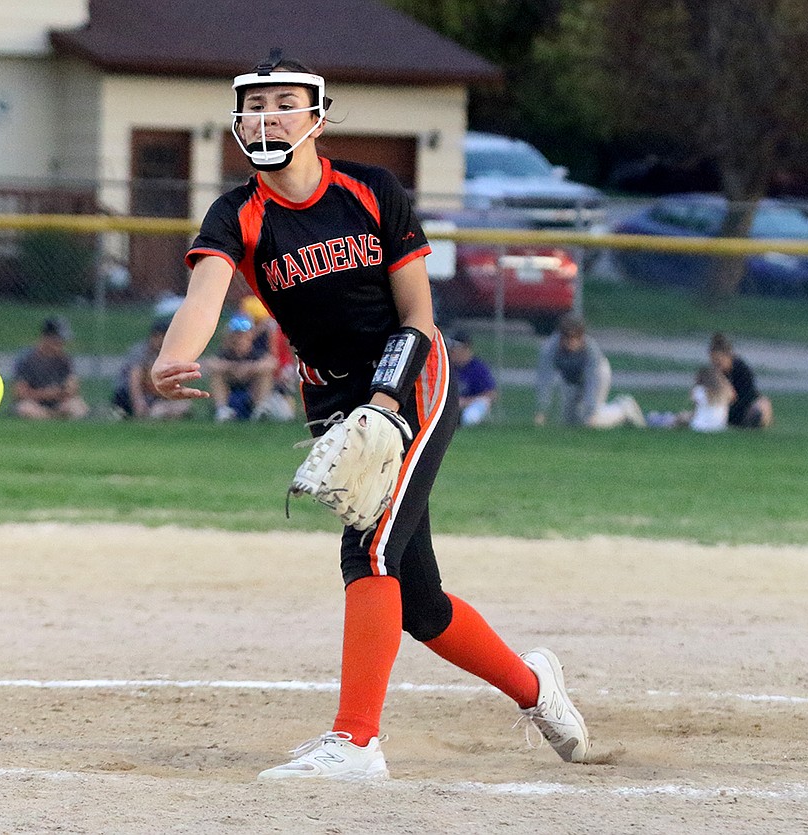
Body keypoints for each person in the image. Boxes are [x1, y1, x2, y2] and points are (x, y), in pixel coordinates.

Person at [150, 50, 591, 780]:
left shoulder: (370, 188)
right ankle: (537, 689)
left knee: (370, 553)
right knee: (419, 602)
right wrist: (175, 354)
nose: (269, 116)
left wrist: (387, 399)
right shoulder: (239, 213)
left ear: (317, 115)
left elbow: (418, 313)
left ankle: (356, 742)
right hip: (331, 399)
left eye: (285, 101)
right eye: (256, 105)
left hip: (411, 375)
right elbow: (207, 294)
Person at [534, 314, 645, 429]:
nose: (571, 341)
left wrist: (591, 412)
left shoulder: (591, 349)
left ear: (581, 336)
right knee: (570, 422)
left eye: (575, 337)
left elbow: (592, 381)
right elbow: (545, 379)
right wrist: (542, 410)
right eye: (567, 337)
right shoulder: (550, 349)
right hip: (572, 379)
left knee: (591, 421)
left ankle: (624, 409)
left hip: (598, 373)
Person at [110, 317, 192, 420]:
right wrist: (138, 402)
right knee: (157, 412)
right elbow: (134, 380)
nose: (163, 340)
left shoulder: (169, 353)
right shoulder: (141, 352)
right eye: (161, 336)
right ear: (154, 336)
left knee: (183, 405)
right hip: (129, 395)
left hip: (156, 396)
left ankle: (163, 413)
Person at [11, 317, 89, 420]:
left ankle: (54, 418)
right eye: (57, 340)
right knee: (25, 408)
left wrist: (67, 390)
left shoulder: (64, 359)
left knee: (78, 406)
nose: (61, 344)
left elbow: (72, 385)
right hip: (34, 403)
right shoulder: (27, 359)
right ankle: (51, 417)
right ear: (46, 337)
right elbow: (20, 393)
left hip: (58, 404)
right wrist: (46, 394)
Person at [206, 313, 280, 421]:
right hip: (231, 383)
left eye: (243, 335)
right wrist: (234, 368)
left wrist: (249, 368)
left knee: (265, 374)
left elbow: (271, 363)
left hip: (252, 385)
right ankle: (222, 410)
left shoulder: (256, 350)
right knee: (217, 375)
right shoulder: (226, 351)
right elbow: (212, 364)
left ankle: (261, 408)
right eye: (237, 335)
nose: (240, 338)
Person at [709, 332, 773, 428]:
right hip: (726, 408)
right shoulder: (715, 374)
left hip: (743, 407)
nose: (717, 365)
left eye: (719, 361)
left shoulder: (742, 370)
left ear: (729, 357)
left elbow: (748, 396)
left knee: (762, 405)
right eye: (714, 361)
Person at [449, 330, 497, 426]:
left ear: (466, 348)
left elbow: (491, 394)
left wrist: (464, 402)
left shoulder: (478, 368)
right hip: (450, 405)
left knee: (473, 413)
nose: (451, 351)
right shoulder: (448, 366)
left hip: (469, 405)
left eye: (455, 348)